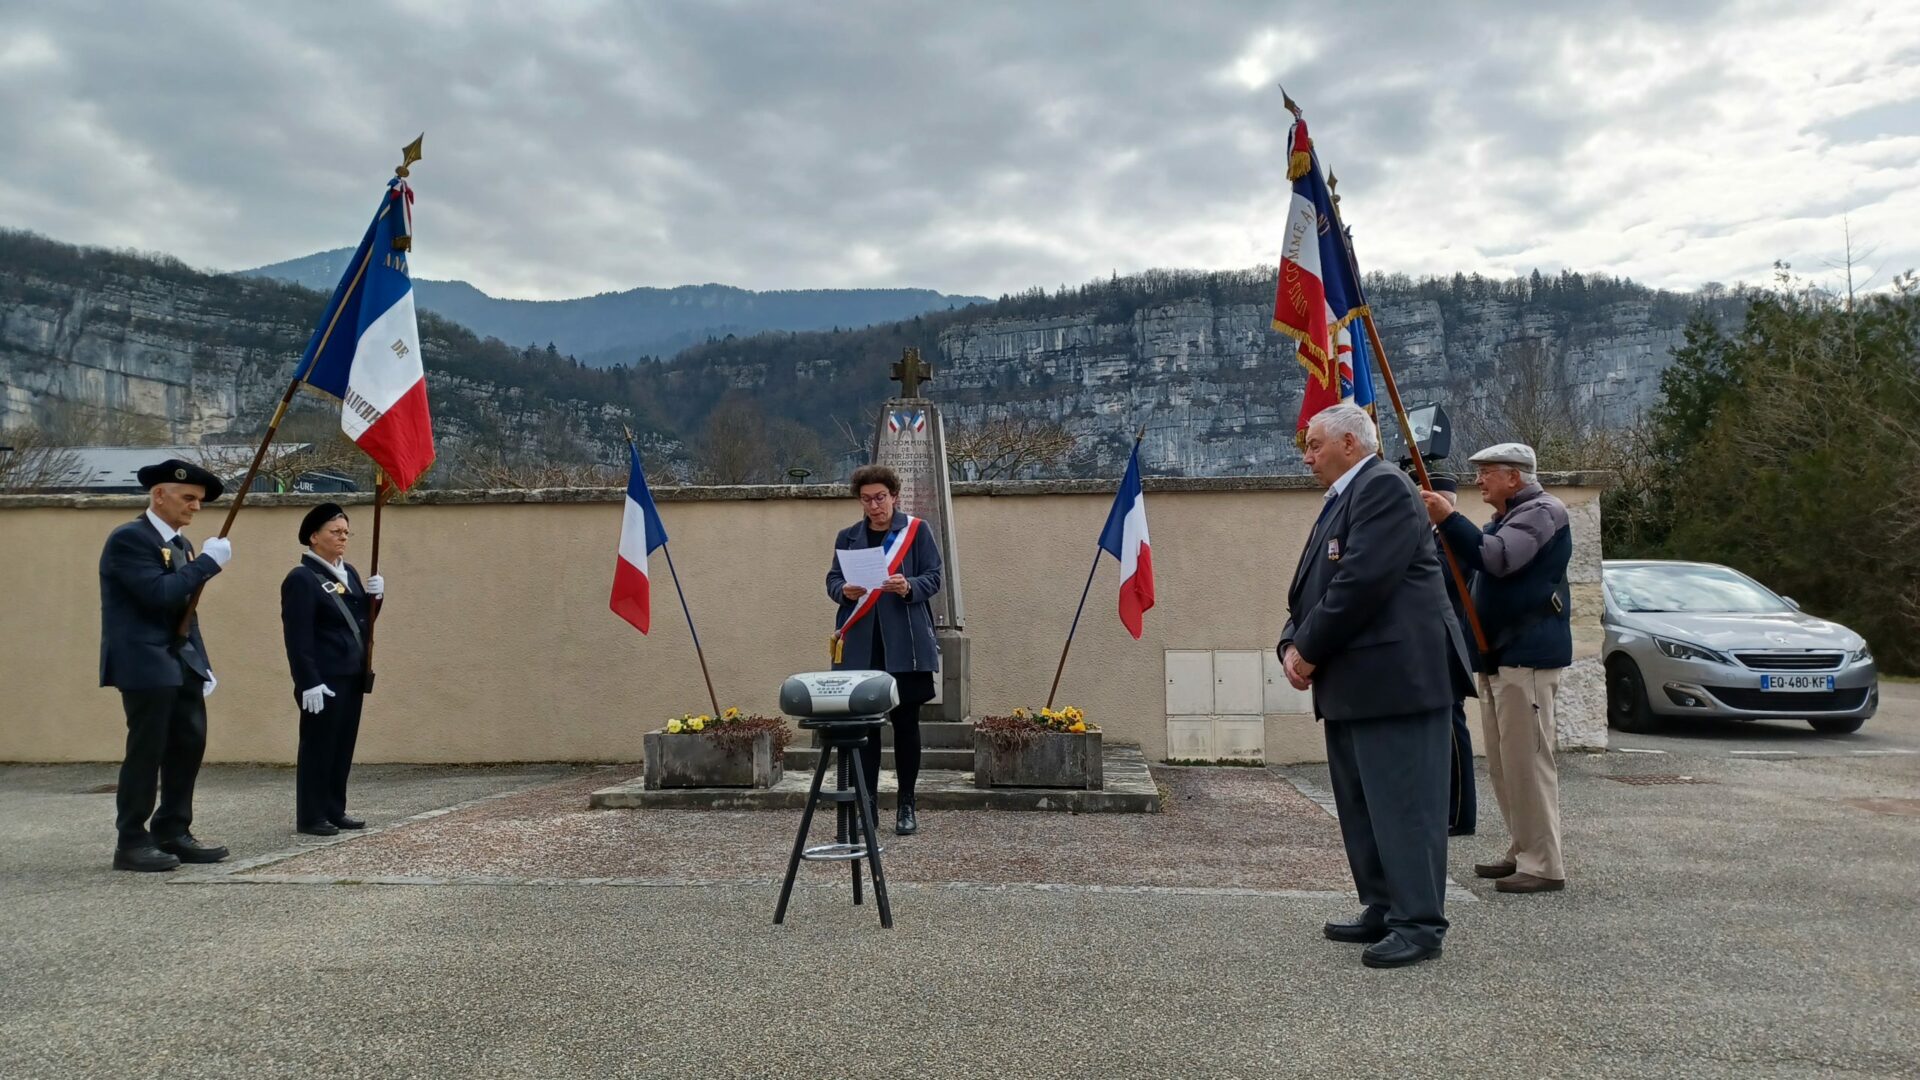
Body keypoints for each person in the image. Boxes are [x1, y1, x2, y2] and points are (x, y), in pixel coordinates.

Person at [1280, 404, 1471, 969]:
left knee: (1404, 805)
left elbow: (1362, 582)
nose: (1308, 457)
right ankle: (1385, 905)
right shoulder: (1343, 498)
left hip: (1397, 682)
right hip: (1357, 683)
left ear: (1348, 441)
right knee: (1365, 804)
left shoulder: (1383, 486)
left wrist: (1308, 650)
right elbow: (1311, 587)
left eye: (1314, 445)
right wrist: (1291, 642)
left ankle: (1418, 922)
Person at [1421, 442, 1574, 895]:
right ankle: (1523, 848)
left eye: (1487, 472)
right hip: (1502, 657)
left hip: (1526, 655)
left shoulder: (1543, 512)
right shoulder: (1509, 517)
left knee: (1527, 763)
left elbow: (1499, 558)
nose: (1479, 481)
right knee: (1507, 765)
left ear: (1515, 476)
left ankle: (1544, 863)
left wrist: (1449, 519)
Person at [99, 459, 235, 871]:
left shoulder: (181, 546)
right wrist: (208, 564)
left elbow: (186, 611)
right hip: (144, 661)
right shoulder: (129, 539)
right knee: (148, 751)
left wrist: (203, 663)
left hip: (180, 662)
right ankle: (132, 840)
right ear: (160, 494)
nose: (195, 507)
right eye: (188, 498)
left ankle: (173, 829)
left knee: (187, 747)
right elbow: (159, 594)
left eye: (200, 501)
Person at [825, 464, 943, 837]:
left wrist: (907, 586)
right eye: (866, 499)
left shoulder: (916, 531)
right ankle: (868, 806)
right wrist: (843, 591)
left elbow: (934, 577)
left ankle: (906, 803)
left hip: (905, 644)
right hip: (862, 644)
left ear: (893, 496)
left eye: (879, 498)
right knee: (866, 730)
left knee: (905, 725)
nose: (874, 506)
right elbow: (832, 580)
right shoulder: (848, 537)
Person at [280, 503, 385, 836]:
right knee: (318, 747)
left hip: (350, 673)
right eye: (335, 532)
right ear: (313, 537)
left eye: (345, 533)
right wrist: (307, 680)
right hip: (323, 678)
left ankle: (334, 809)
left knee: (342, 746)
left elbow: (357, 624)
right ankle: (311, 815)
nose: (342, 538)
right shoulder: (302, 578)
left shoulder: (349, 572)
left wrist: (376, 599)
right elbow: (298, 636)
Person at [1427, 474, 1479, 838]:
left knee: (1450, 725)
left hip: (1447, 640)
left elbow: (1442, 577)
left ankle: (1461, 813)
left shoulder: (1453, 537)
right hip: (1428, 641)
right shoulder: (1432, 537)